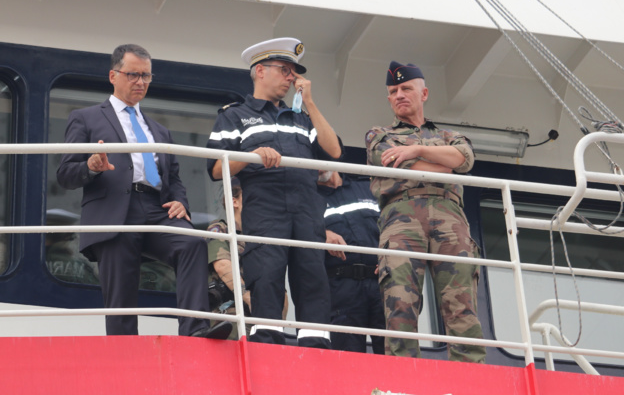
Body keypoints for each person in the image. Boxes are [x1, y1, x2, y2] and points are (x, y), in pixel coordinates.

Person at [56, 43, 231, 340]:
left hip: (156, 208)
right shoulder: (86, 118)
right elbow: (65, 174)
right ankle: (125, 357)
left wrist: (180, 201)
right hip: (114, 212)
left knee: (190, 245)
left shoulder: (160, 131)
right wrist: (92, 165)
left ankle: (194, 329)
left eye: (146, 76)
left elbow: (174, 177)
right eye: (133, 75)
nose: (140, 82)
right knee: (121, 295)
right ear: (113, 76)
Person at [206, 37, 342, 349]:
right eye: (284, 70)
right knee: (266, 272)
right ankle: (267, 340)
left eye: (294, 73)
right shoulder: (235, 115)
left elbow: (333, 151)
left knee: (311, 274)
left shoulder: (302, 118)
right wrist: (254, 153)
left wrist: (309, 101)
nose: (291, 78)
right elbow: (216, 168)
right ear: (259, 71)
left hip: (307, 206)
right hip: (265, 205)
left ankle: (315, 341)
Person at [366, 61, 485, 363]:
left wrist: (415, 151)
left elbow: (465, 158)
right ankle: (403, 378)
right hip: (400, 217)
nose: (399, 95)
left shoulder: (449, 135)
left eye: (406, 89)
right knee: (400, 304)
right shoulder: (379, 134)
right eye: (393, 91)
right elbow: (390, 159)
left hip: (450, 217)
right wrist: (446, 167)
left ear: (424, 93)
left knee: (461, 305)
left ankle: (470, 382)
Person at [319, 172, 385, 354]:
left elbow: (395, 225)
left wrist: (391, 260)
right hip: (342, 289)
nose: (318, 167)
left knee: (392, 354)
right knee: (348, 359)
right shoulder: (308, 198)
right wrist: (320, 233)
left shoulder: (368, 186)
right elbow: (295, 230)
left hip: (382, 281)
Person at [206, 177, 252, 340]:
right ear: (235, 202)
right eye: (252, 197)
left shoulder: (261, 236)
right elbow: (223, 266)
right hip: (228, 320)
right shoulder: (220, 229)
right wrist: (251, 300)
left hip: (259, 321)